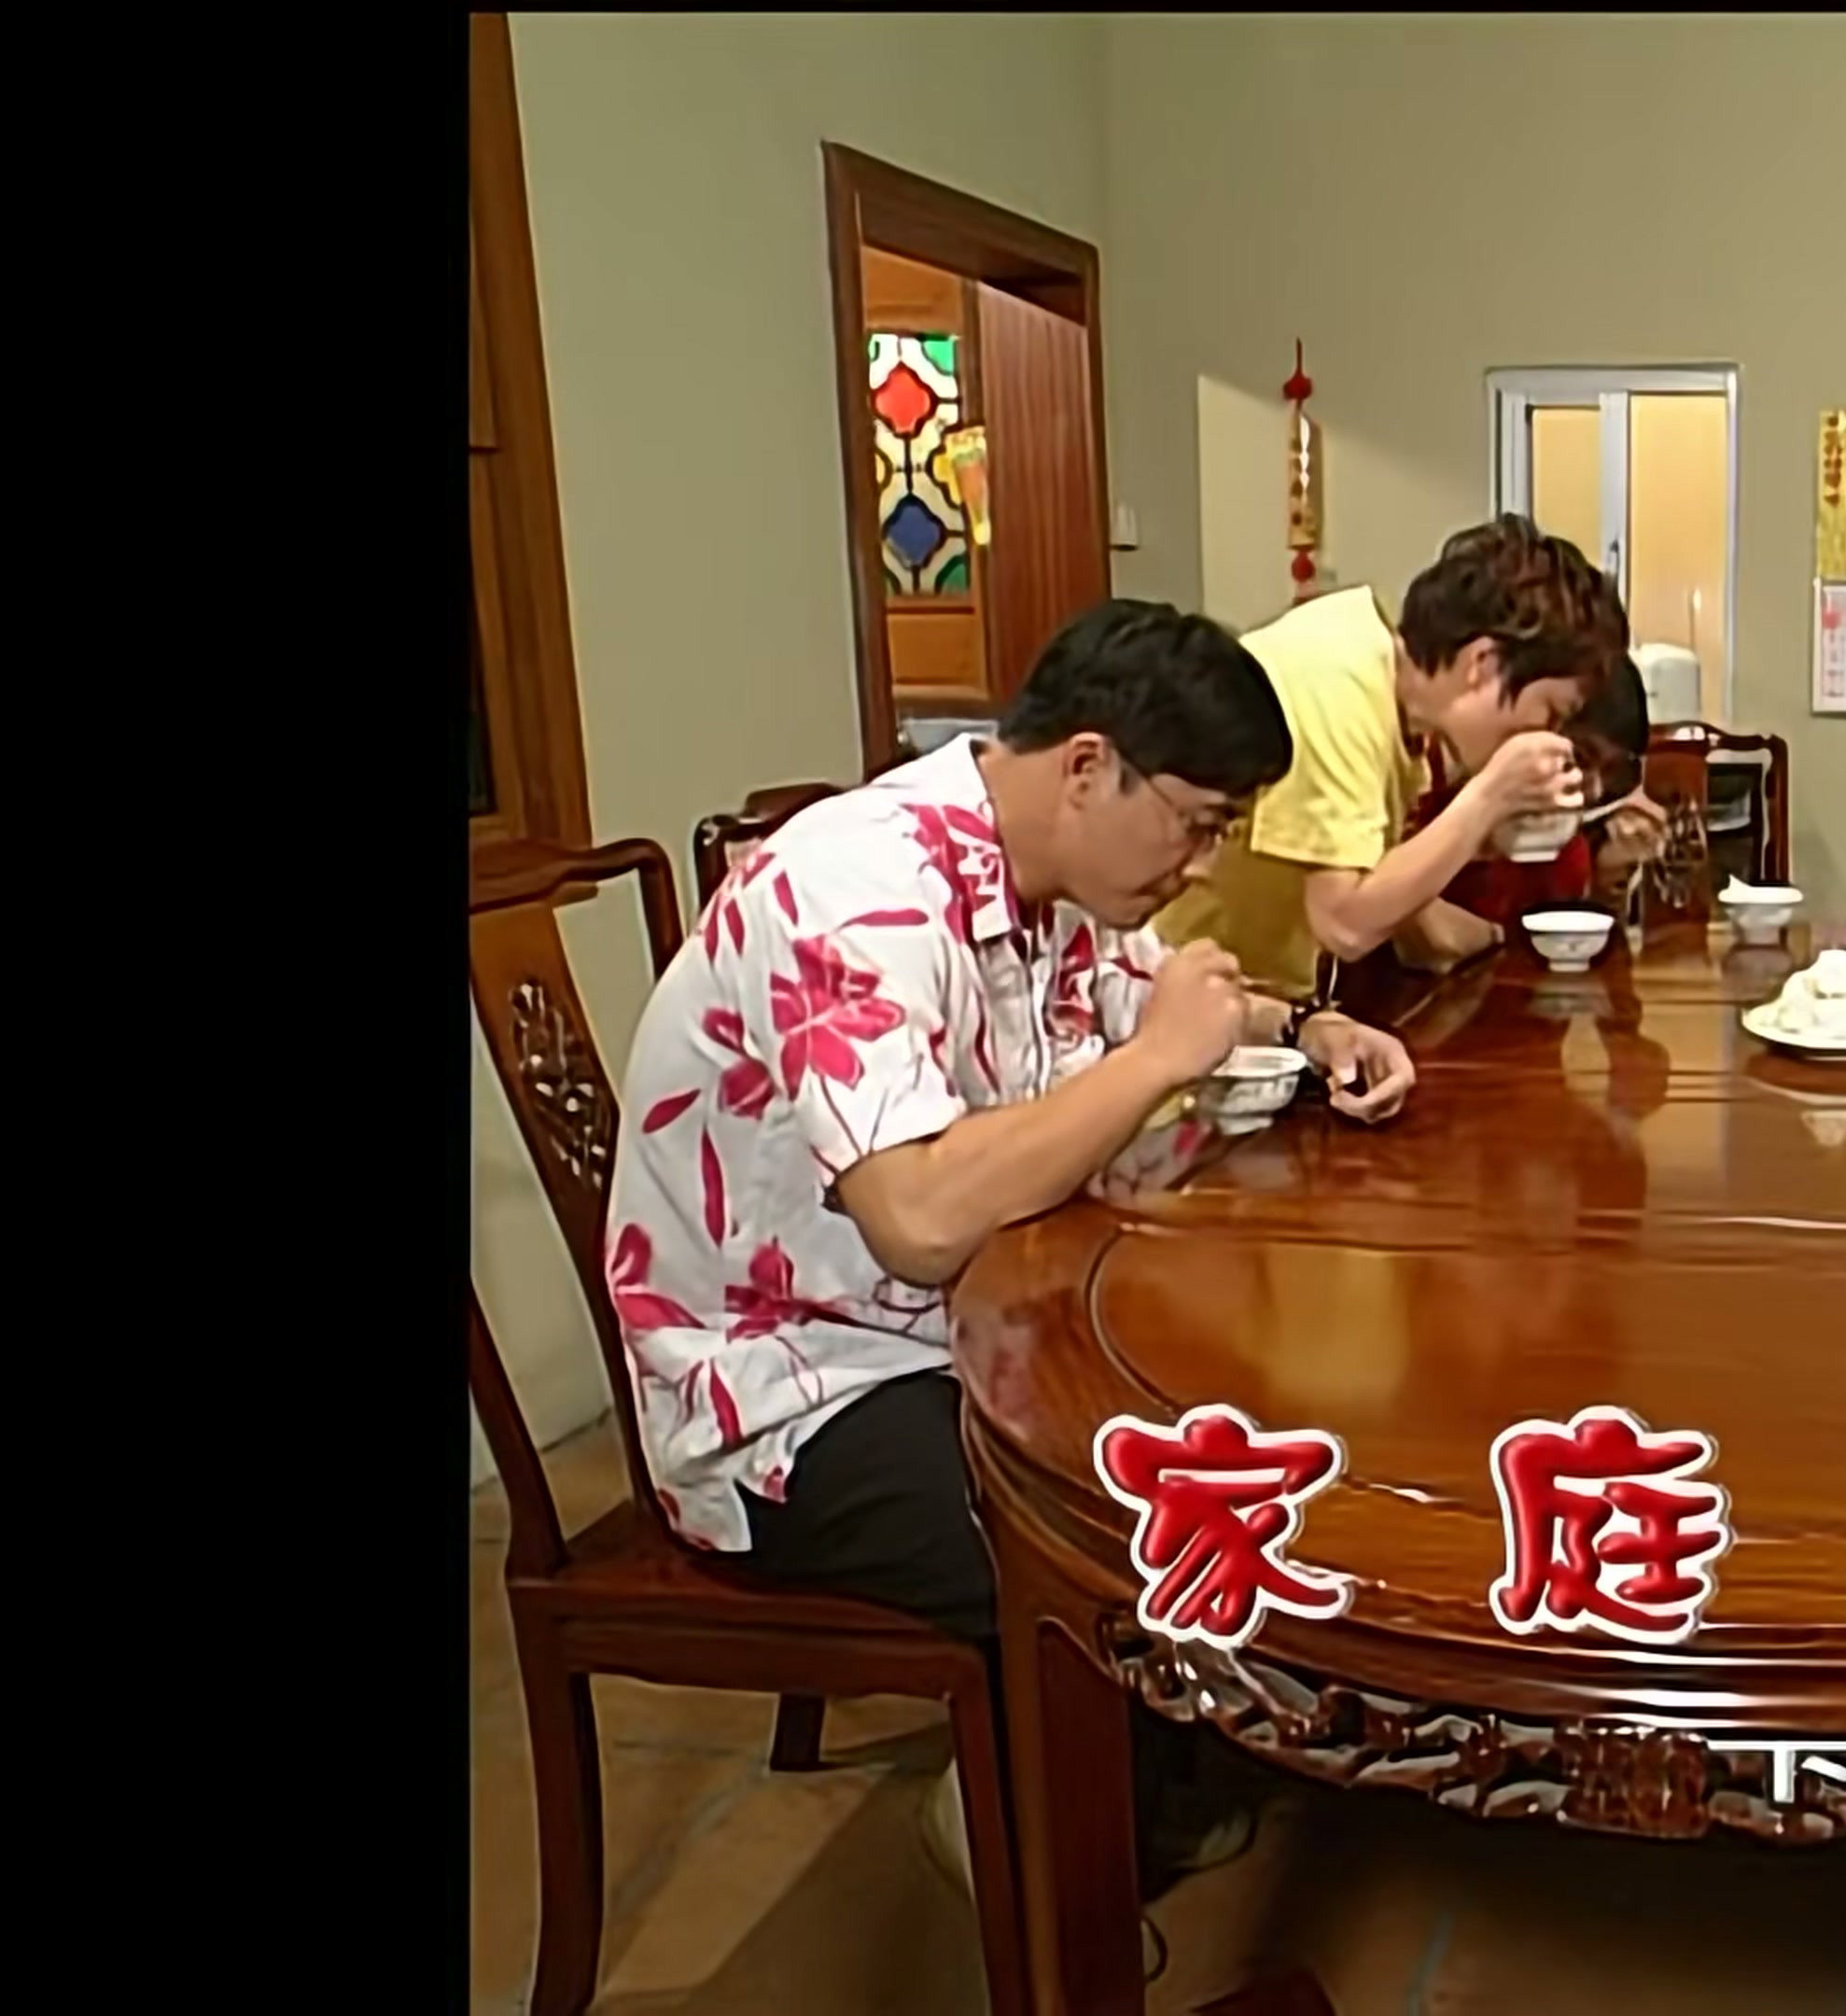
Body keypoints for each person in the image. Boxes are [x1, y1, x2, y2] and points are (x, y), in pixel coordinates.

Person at [599, 599, 1419, 1925]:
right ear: (1089, 766)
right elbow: (919, 1217)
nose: (1202, 865)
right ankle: (1038, 1850)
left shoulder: (1056, 875)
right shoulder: (855, 890)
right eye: (1198, 823)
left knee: (1241, 1423)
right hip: (787, 1384)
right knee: (1092, 1541)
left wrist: (1305, 1030)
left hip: (965, 1329)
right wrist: (1158, 1062)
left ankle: (1148, 1774)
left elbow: (1166, 992)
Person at [1154, 514, 1629, 992]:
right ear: (1482, 664)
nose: (1547, 733)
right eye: (1551, 711)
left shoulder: (1400, 709)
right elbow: (1345, 923)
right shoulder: (1337, 682)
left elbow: (1401, 914)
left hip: (1250, 998)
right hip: (1161, 992)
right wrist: (1491, 795)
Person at [1429, 651, 1671, 925]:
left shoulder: (1564, 845)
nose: (1594, 790)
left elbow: (1562, 937)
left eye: (1612, 774)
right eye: (1581, 757)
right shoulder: (1433, 781)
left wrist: (1607, 882)